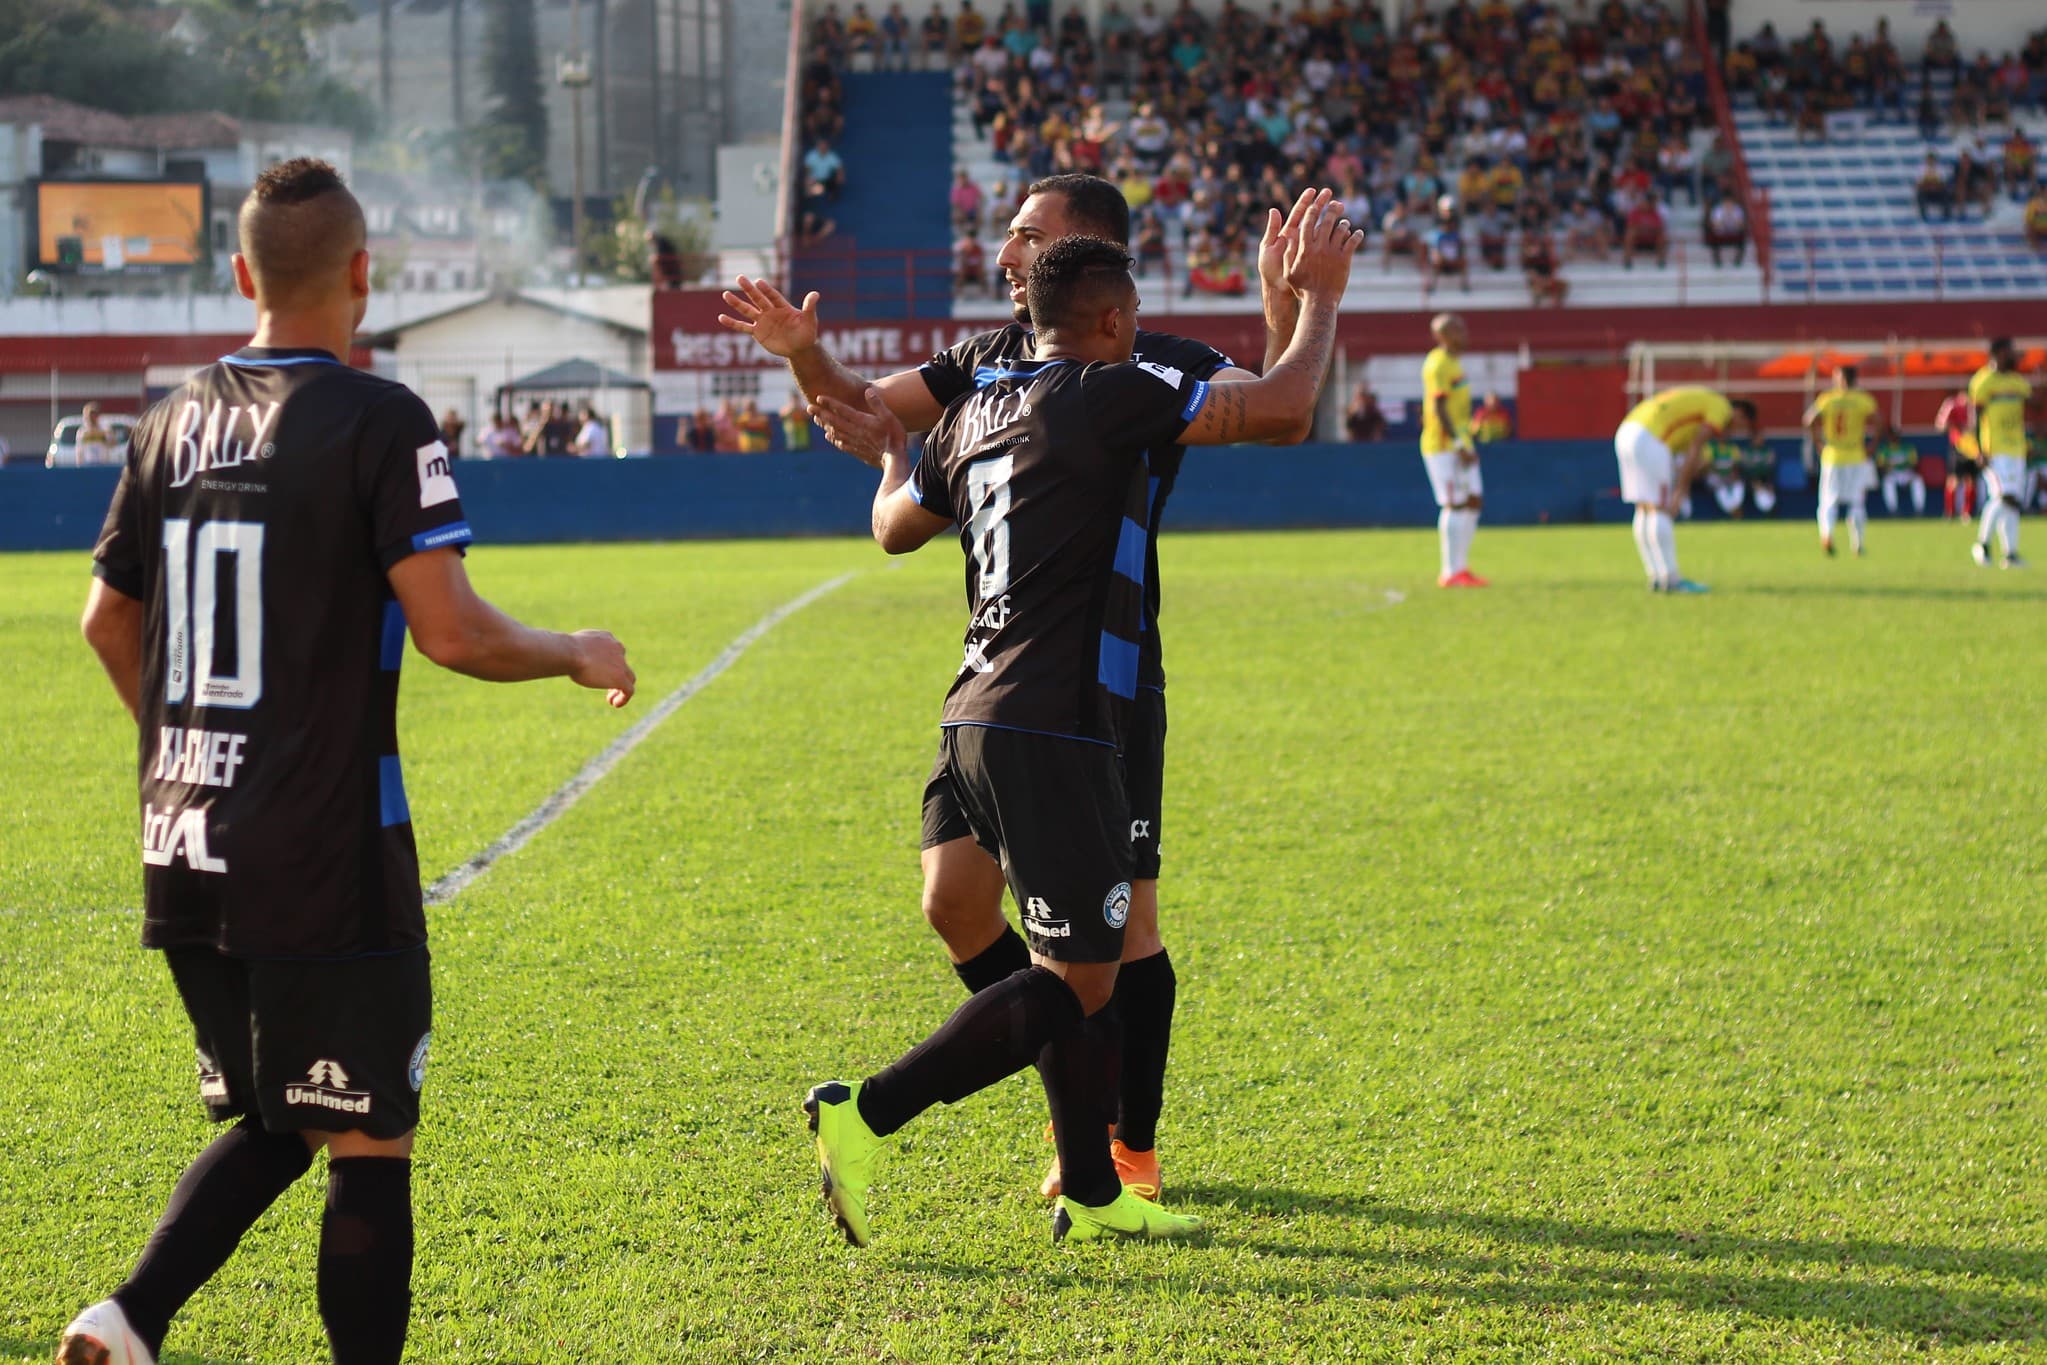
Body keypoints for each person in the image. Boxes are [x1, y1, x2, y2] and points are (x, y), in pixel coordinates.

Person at [61, 157, 635, 1365]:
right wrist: (574, 649)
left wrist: (192, 766)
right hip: (324, 847)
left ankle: (128, 1320)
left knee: (286, 1112)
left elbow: (108, 624)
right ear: (364, 277)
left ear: (239, 273)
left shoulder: (167, 418)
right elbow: (454, 631)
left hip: (189, 839)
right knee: (368, 1139)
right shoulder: (380, 419)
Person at [717, 175, 1321, 1207]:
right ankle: (1034, 1108)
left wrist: (1287, 303)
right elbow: (865, 422)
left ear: (1089, 256)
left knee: (1125, 938)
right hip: (1017, 692)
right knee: (969, 914)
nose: (1004, 253)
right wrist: (803, 354)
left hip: (1102, 684)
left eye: (1025, 236)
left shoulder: (1147, 361)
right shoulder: (987, 369)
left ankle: (1116, 1158)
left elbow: (1274, 406)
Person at [1615, 387, 1758, 593]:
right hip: (1651, 437)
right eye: (1741, 425)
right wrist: (1680, 491)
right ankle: (1671, 579)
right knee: (1660, 508)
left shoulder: (1698, 404)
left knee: (1644, 508)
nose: (1735, 431)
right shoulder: (1721, 407)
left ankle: (1656, 575)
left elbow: (1689, 455)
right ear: (1740, 413)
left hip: (1627, 431)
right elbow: (1696, 446)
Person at [1420, 312, 1486, 588]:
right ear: (1442, 336)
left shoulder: (1454, 363)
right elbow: (1438, 409)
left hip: (1461, 442)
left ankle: (1461, 566)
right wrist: (1458, 445)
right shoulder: (1437, 365)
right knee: (1454, 503)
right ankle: (1450, 572)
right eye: (1457, 329)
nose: (1464, 334)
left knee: (1474, 500)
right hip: (1443, 446)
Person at [1802, 365, 1879, 556]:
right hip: (1856, 454)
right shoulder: (1863, 400)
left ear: (1840, 379)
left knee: (1828, 502)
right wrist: (1873, 445)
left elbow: (1809, 420)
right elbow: (1879, 420)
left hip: (1833, 455)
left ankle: (1827, 535)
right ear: (1855, 379)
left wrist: (1818, 442)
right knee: (1857, 503)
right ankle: (1858, 544)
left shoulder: (1828, 399)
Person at [1968, 337, 2031, 568]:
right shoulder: (1983, 381)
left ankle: (2010, 554)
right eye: (2009, 352)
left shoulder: (2017, 381)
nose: (2013, 355)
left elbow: (2035, 404)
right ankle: (1982, 544)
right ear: (1996, 354)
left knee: (2012, 501)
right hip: (1995, 449)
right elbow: (1974, 416)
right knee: (2005, 497)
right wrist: (1978, 449)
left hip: (2017, 447)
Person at [1936, 388, 1979, 520]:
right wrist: (1954, 426)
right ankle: (1950, 512)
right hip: (1958, 446)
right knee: (1953, 480)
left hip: (1973, 447)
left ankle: (1967, 512)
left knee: (1970, 480)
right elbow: (1940, 425)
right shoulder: (1952, 404)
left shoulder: (1977, 406)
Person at [1875, 427, 1926, 516]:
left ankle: (1919, 510)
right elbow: (1880, 466)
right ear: (1889, 437)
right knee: (1887, 482)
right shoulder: (1884, 449)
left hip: (1906, 473)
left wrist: (1902, 465)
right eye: (1892, 436)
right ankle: (1893, 511)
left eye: (1896, 435)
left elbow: (1914, 463)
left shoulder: (1908, 447)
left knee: (1918, 480)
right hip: (1892, 474)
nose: (1895, 438)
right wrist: (1888, 467)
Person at [1701, 428, 1747, 516]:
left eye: (1724, 435)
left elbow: (1737, 465)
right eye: (1720, 435)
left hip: (1729, 476)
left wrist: (1732, 474)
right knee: (1717, 482)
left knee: (1739, 482)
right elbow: (1707, 466)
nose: (1722, 437)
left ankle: (1736, 508)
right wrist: (1720, 473)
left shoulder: (1732, 448)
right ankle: (1730, 509)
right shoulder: (1711, 448)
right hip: (1715, 477)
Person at [1739, 429, 1778, 516]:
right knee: (1757, 486)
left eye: (1761, 438)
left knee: (1769, 487)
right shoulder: (1746, 452)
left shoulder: (1768, 451)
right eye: (1757, 438)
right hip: (1750, 480)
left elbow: (1769, 467)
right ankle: (1767, 510)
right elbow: (1745, 468)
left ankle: (1770, 510)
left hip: (1765, 479)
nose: (1760, 440)